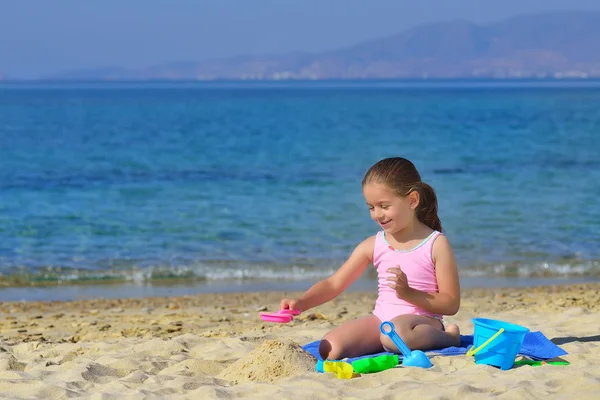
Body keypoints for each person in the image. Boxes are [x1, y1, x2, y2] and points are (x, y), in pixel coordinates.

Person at [280, 157, 461, 360]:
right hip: (382, 322)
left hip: (422, 323)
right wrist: (301, 303)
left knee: (395, 335)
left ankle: (450, 337)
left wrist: (409, 294)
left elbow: (451, 303)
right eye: (371, 207)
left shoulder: (435, 243)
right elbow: (334, 284)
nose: (377, 214)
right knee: (330, 349)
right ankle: (388, 339)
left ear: (412, 200)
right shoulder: (374, 244)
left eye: (384, 205)